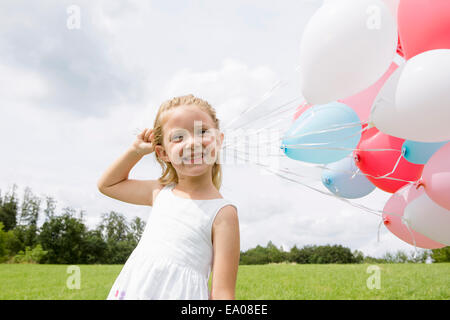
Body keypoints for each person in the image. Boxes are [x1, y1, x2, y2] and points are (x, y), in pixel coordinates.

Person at [97, 94, 240, 300]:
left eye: (202, 132)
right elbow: (108, 185)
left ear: (219, 141)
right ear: (163, 153)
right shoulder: (160, 192)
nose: (192, 143)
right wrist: (135, 152)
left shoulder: (223, 213)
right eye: (178, 137)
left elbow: (222, 293)